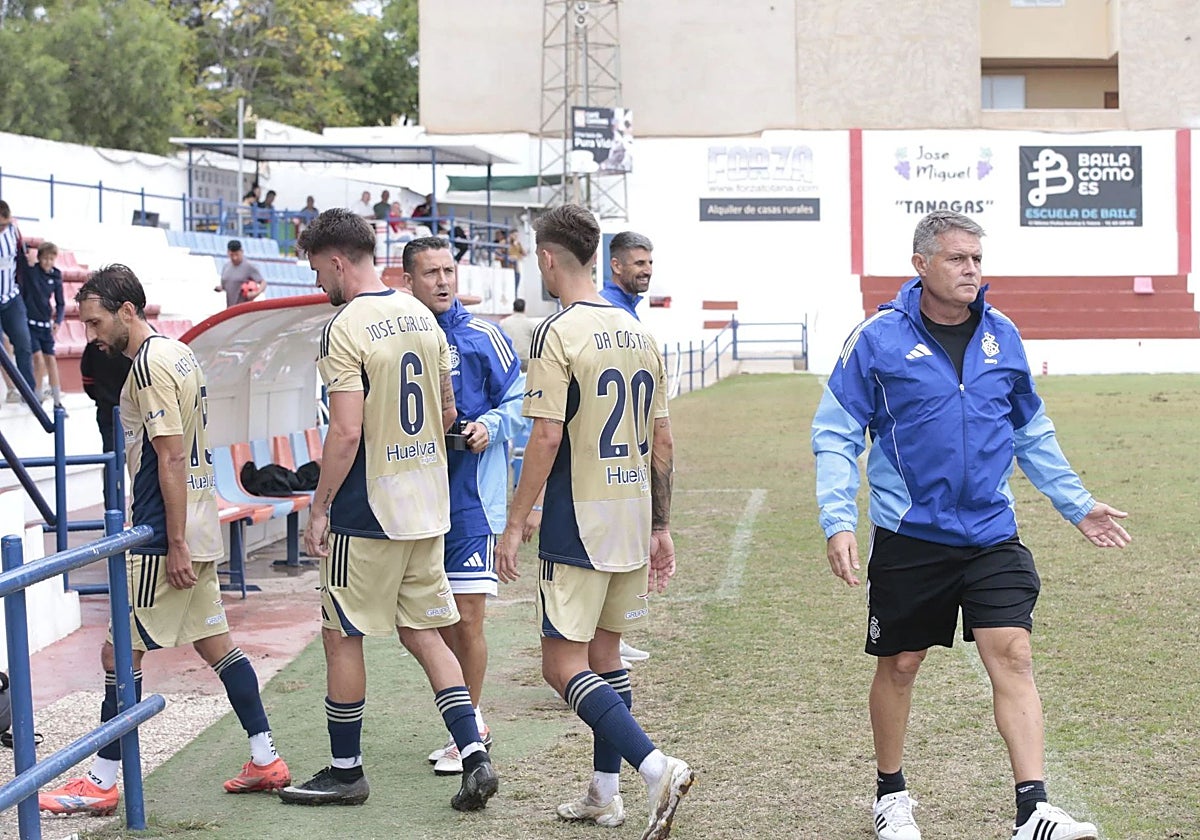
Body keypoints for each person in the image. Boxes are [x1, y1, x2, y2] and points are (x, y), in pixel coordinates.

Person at [811, 210, 1131, 840]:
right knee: (901, 664)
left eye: (977, 259)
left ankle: (1033, 808)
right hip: (911, 534)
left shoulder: (1003, 334)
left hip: (990, 532)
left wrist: (1077, 503)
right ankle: (891, 795)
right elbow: (836, 432)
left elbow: (1029, 429)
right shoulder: (877, 338)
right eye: (958, 258)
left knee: (1013, 654)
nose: (972, 270)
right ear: (921, 264)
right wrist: (837, 518)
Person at [39, 265, 290, 817]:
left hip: (164, 530)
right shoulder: (178, 353)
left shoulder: (149, 369)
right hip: (197, 520)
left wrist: (172, 541)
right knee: (216, 644)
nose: (92, 335)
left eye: (97, 322)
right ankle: (265, 756)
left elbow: (170, 453)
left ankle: (102, 782)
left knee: (118, 652)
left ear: (128, 311)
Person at [281, 209, 498, 811]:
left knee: (341, 633)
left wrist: (320, 506)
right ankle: (474, 754)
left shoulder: (345, 324)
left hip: (369, 512)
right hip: (429, 505)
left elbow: (346, 432)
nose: (320, 281)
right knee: (425, 632)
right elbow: (451, 412)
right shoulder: (421, 316)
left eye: (317, 269)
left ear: (335, 261)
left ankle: (346, 771)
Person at [495, 204, 693, 840]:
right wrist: (661, 525)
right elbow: (662, 442)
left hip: (578, 521)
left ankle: (655, 766)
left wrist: (515, 520)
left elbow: (547, 437)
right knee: (605, 656)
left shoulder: (558, 333)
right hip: (632, 514)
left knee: (562, 667)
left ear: (549, 259)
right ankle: (604, 796)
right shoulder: (640, 332)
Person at [403, 236, 523, 776]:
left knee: (469, 616)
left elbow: (524, 400)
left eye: (448, 270)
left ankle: (471, 726)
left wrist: (490, 426)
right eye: (430, 273)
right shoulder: (399, 338)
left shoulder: (483, 336)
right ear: (409, 281)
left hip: (472, 502)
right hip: (414, 501)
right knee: (431, 620)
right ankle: (464, 721)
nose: (443, 281)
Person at [80, 339, 132, 511]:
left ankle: (112, 514)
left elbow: (88, 382)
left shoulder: (93, 346)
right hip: (136, 412)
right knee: (143, 463)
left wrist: (104, 397)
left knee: (112, 464)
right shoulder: (134, 341)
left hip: (108, 411)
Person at [22, 241, 66, 411]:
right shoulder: (32, 272)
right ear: (39, 258)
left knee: (51, 361)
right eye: (45, 258)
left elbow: (61, 303)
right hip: (30, 324)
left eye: (51, 259)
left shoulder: (56, 276)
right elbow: (22, 255)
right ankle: (37, 397)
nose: (48, 262)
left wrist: (58, 321)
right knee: (38, 360)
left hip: (45, 325)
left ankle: (57, 401)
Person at [0, 200, 37, 399]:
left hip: (12, 297)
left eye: (5, 223)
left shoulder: (13, 232)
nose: (3, 228)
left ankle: (28, 392)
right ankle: (10, 390)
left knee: (24, 343)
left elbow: (22, 258)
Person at [601, 231, 654, 320]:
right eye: (640, 263)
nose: (648, 271)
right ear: (616, 266)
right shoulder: (606, 308)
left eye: (650, 263)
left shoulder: (626, 305)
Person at [215, 240, 267, 307]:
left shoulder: (248, 267)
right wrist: (220, 288)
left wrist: (256, 293)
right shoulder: (226, 267)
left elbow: (263, 282)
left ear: (242, 252)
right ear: (228, 253)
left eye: (237, 255)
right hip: (230, 308)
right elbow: (226, 285)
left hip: (243, 309)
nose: (234, 258)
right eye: (232, 255)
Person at [498, 298, 536, 372]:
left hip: (509, 359)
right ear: (524, 309)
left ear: (513, 308)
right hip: (525, 359)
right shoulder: (530, 324)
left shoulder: (504, 323)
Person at [504, 229, 528, 297]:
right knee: (508, 288)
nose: (516, 237)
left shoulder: (518, 244)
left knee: (515, 289)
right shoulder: (504, 243)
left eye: (517, 236)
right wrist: (508, 257)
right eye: (514, 235)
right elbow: (497, 254)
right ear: (510, 235)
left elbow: (524, 254)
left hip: (516, 269)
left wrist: (518, 254)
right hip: (507, 268)